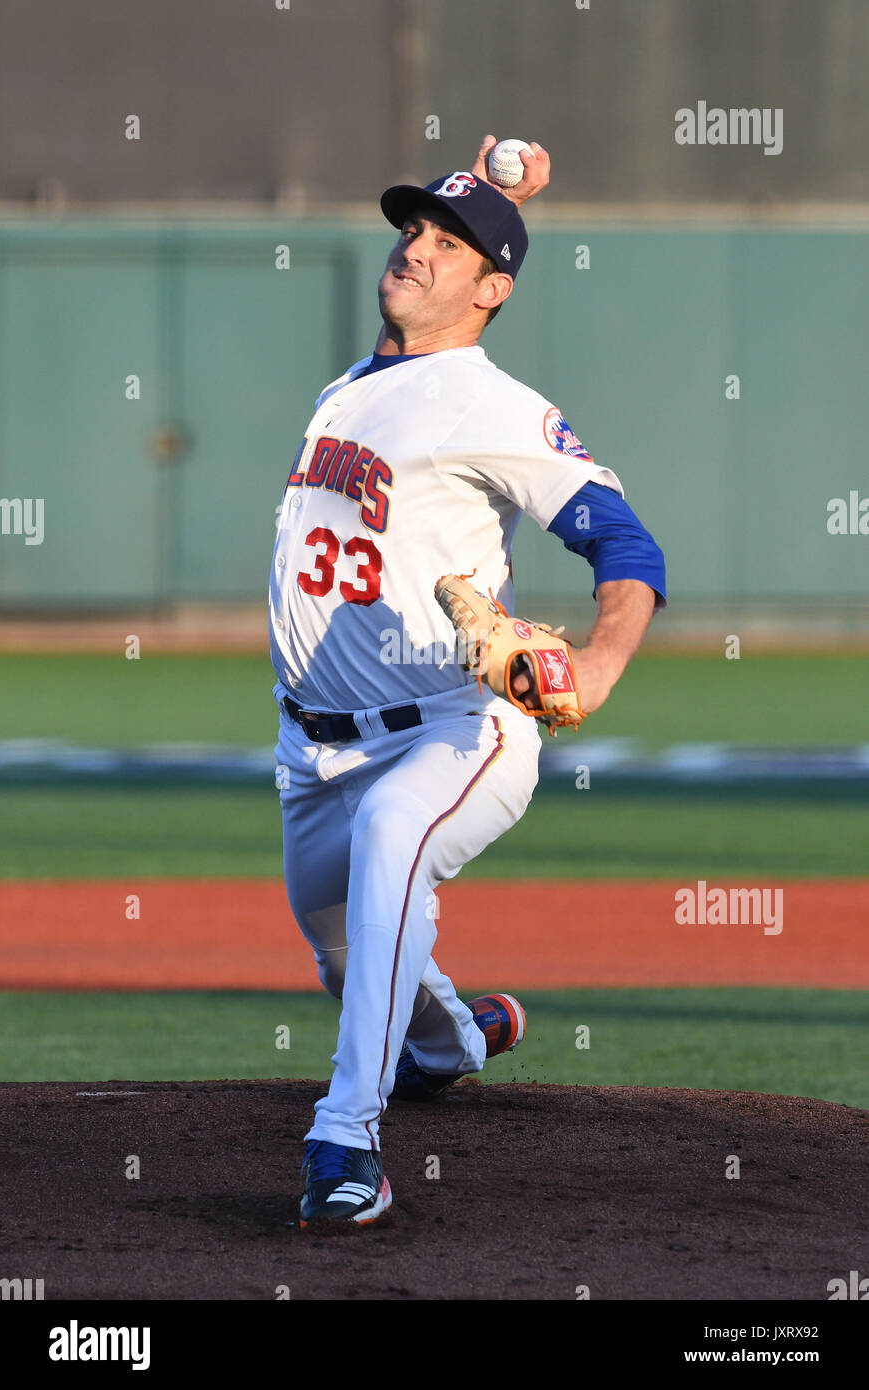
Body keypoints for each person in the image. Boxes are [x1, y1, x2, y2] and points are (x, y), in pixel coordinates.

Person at [269, 136, 666, 1227]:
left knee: (396, 840)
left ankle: (346, 1142)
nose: (415, 250)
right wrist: (487, 187)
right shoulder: (351, 386)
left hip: (450, 726)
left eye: (447, 244)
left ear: (492, 290)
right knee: (346, 951)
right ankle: (454, 1037)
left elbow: (628, 547)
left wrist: (595, 663)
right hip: (312, 745)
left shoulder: (494, 405)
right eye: (412, 231)